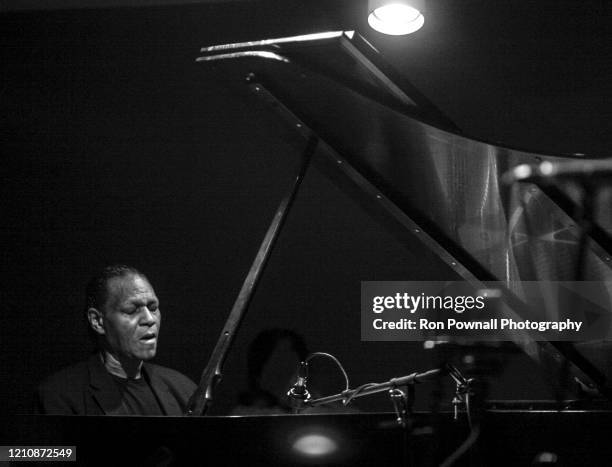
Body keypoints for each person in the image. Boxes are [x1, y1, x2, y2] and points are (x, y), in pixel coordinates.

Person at [37, 265, 197, 415]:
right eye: (132, 310)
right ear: (97, 321)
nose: (149, 319)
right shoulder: (60, 395)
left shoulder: (184, 389)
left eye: (153, 308)